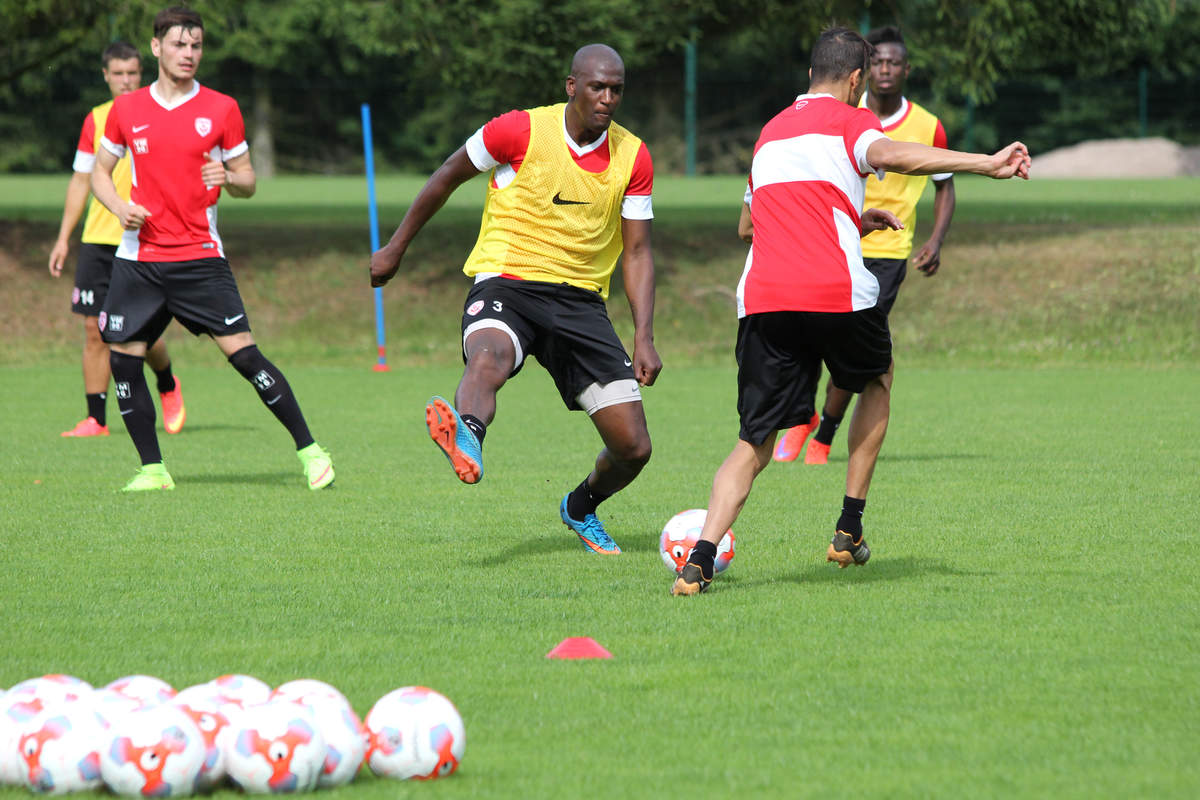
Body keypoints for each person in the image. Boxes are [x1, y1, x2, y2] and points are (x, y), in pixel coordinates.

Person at [671, 26, 1030, 595]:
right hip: (836, 293)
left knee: (753, 441)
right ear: (858, 79)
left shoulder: (770, 133)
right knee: (878, 377)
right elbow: (893, 154)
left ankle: (698, 561)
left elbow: (747, 226)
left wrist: (847, 217)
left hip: (762, 300)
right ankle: (848, 527)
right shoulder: (855, 120)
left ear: (810, 72)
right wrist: (986, 163)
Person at [370, 43, 661, 555]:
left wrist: (644, 336)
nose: (607, 98)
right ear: (572, 86)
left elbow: (637, 252)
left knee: (633, 447)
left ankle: (580, 506)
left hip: (580, 303)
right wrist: (396, 247)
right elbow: (446, 178)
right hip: (508, 281)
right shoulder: (518, 130)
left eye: (616, 89)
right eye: (597, 86)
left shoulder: (633, 155)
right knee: (490, 357)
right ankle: (469, 437)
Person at [90, 6, 334, 492]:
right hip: (139, 259)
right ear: (157, 47)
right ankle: (153, 470)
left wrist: (230, 177)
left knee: (244, 356)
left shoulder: (221, 108)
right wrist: (119, 207)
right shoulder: (128, 109)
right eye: (179, 44)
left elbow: (248, 180)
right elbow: (100, 172)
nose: (189, 54)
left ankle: (311, 452)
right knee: (122, 357)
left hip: (199, 256)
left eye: (196, 45)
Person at [773, 24, 956, 465]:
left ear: (906, 69)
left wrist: (934, 240)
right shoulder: (845, 117)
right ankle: (803, 417)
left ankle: (825, 435)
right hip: (833, 240)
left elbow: (944, 187)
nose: (886, 69)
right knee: (811, 333)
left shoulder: (928, 125)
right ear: (862, 71)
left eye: (894, 62)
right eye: (878, 62)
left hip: (887, 251)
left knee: (854, 350)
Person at [48, 41, 186, 439]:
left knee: (140, 333)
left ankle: (167, 383)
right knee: (95, 330)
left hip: (144, 239)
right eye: (118, 74)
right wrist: (63, 238)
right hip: (98, 240)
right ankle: (96, 419)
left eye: (132, 73)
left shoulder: (159, 111)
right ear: (106, 76)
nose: (126, 81)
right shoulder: (96, 119)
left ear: (141, 73)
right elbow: (81, 180)